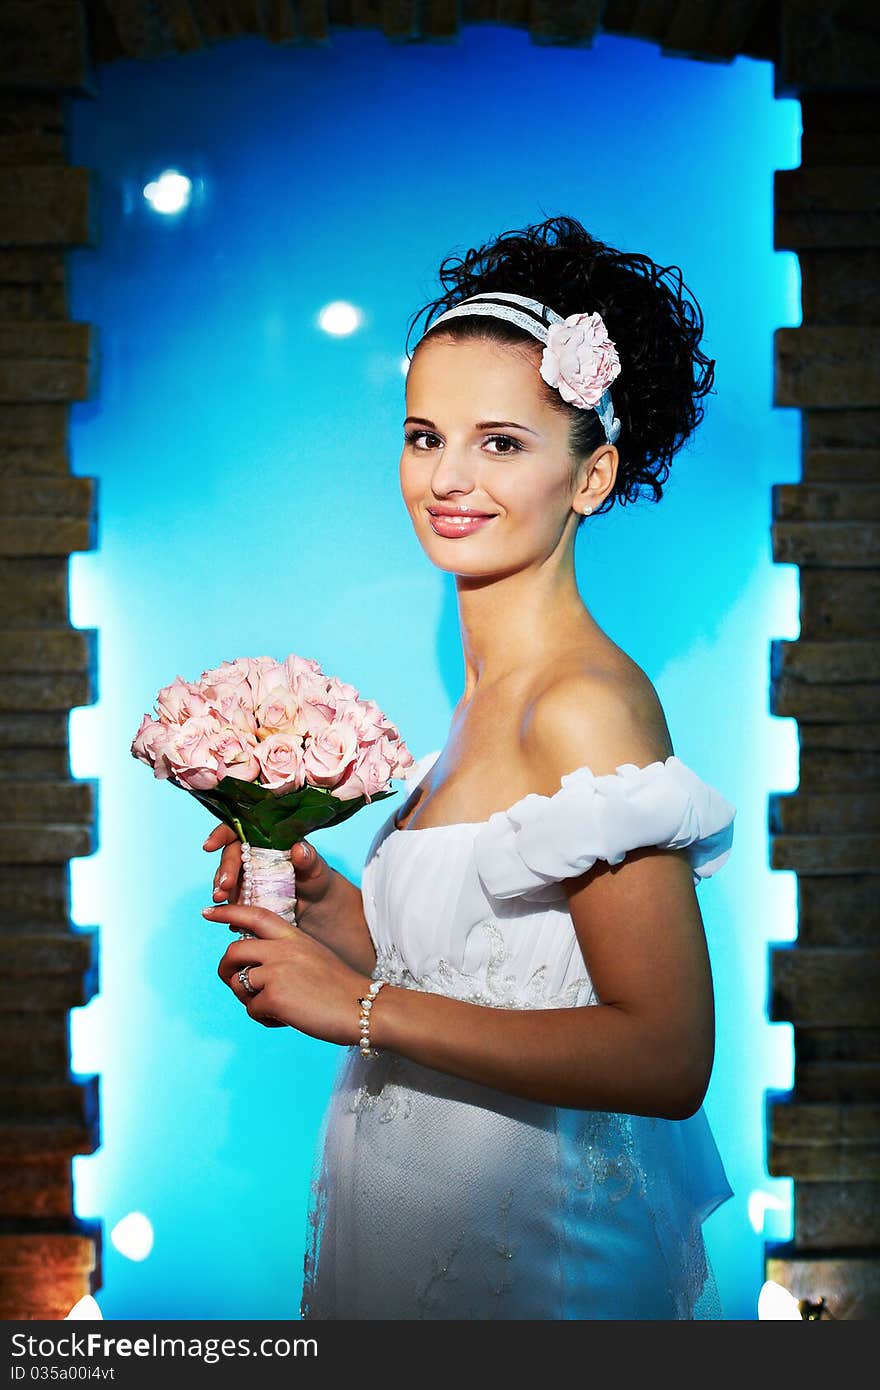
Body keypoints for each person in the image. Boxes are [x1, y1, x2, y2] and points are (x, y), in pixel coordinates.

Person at [201, 215, 737, 1320]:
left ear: (590, 477)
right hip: (408, 1235)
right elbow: (481, 963)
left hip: (533, 1270)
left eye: (500, 442)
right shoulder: (480, 702)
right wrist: (323, 906)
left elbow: (665, 1054)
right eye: (422, 435)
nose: (445, 477)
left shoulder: (585, 705)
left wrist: (356, 1007)